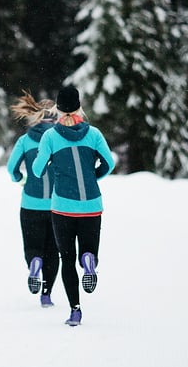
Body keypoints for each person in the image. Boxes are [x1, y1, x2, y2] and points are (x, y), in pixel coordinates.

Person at [32, 86, 115, 326]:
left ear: (57, 109)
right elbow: (109, 163)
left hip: (63, 207)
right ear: (80, 107)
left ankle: (75, 311)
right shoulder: (95, 134)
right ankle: (89, 260)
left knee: (66, 259)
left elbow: (37, 171)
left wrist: (51, 165)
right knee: (87, 250)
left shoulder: (50, 137)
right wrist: (92, 177)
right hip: (92, 205)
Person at [6, 92, 60, 308]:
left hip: (30, 203)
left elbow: (11, 169)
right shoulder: (59, 139)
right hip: (58, 204)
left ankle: (34, 263)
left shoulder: (25, 140)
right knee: (53, 251)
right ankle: (46, 295)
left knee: (33, 245)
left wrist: (21, 178)